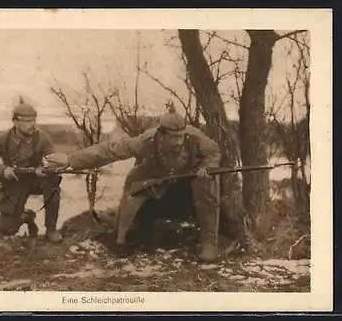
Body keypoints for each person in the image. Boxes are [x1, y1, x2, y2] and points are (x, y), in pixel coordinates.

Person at [46, 110, 222, 262]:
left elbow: (213, 151)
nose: (178, 142)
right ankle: (121, 238)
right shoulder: (147, 140)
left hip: (189, 177)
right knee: (133, 185)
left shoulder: (195, 137)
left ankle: (209, 241)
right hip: (155, 176)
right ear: (161, 135)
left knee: (208, 184)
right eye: (173, 137)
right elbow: (110, 150)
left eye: (181, 136)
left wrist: (207, 168)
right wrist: (71, 160)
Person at [0, 96, 63, 243]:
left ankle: (51, 229)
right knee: (7, 231)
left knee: (53, 183)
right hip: (13, 181)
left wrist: (48, 168)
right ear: (16, 121)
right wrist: (3, 170)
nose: (33, 124)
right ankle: (26, 216)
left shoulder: (42, 138)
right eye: (28, 121)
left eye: (34, 120)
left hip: (36, 179)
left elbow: (53, 159)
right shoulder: (3, 139)